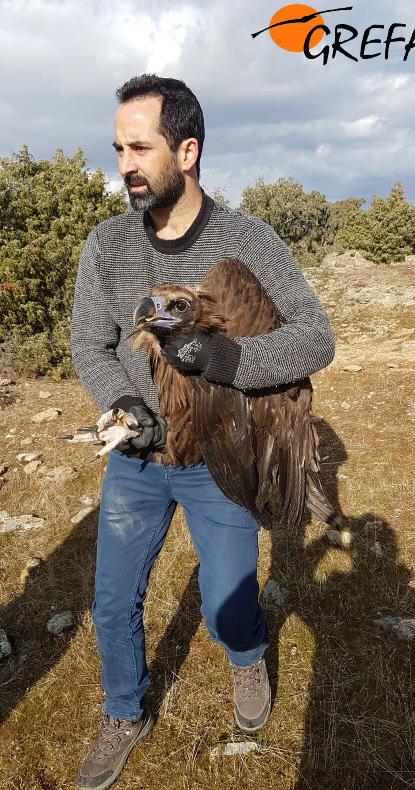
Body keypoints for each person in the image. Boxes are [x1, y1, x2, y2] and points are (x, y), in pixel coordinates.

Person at [71, 73, 335, 790]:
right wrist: (129, 406)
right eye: (117, 147)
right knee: (111, 601)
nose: (124, 162)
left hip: (223, 459)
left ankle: (246, 658)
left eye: (139, 146)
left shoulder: (247, 241)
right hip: (138, 458)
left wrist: (223, 358)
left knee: (228, 603)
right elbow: (88, 345)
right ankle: (125, 713)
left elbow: (317, 337)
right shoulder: (106, 246)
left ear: (186, 151)